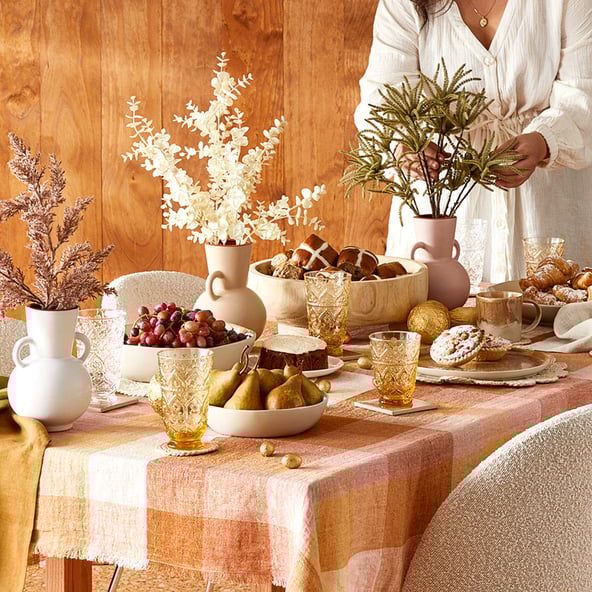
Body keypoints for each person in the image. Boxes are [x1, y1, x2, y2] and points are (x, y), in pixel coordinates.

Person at [354, 0, 592, 283]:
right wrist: (404, 143)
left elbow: (583, 92)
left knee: (555, 312)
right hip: (441, 199)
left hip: (546, 204)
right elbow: (383, 95)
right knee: (436, 314)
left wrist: (544, 140)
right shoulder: (403, 3)